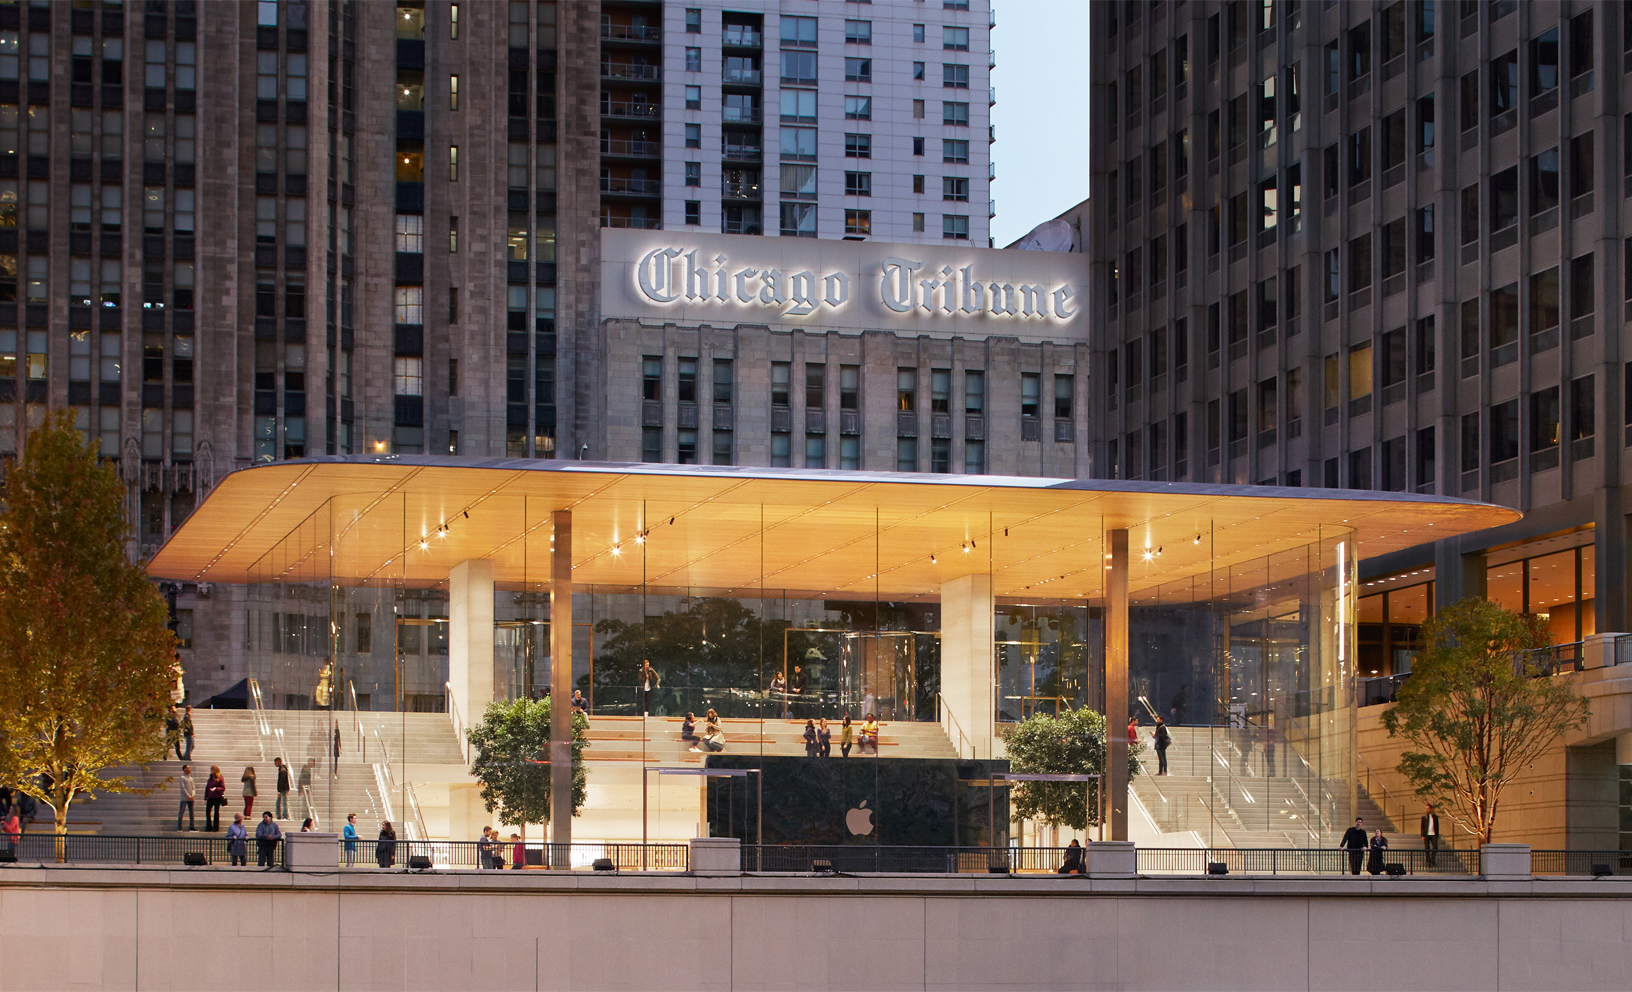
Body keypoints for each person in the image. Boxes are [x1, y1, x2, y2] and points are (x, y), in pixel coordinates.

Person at [204, 766, 226, 831]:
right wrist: (205, 797)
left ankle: (216, 827)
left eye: (212, 770)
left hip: (217, 797)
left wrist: (216, 788)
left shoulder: (220, 778)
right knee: (208, 812)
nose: (211, 771)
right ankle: (209, 827)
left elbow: (223, 788)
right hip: (210, 797)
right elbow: (207, 788)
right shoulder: (210, 778)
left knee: (216, 812)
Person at [176, 764, 196, 832]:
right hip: (184, 798)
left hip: (191, 798)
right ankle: (179, 827)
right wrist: (188, 795)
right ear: (184, 769)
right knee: (181, 812)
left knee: (191, 812)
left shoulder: (191, 778)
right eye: (188, 768)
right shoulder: (182, 778)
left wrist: (192, 795)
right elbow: (183, 788)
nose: (189, 769)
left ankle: (192, 827)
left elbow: (193, 788)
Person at [1420, 804, 1441, 868]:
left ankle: (1432, 859)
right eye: (1426, 809)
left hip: (1433, 834)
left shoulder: (1435, 817)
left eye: (1428, 808)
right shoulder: (1424, 817)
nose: (1427, 810)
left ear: (1431, 809)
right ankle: (1428, 861)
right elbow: (1422, 826)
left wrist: (1437, 835)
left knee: (1435, 847)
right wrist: (1422, 835)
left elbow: (1437, 826)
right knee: (1427, 848)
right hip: (1426, 834)